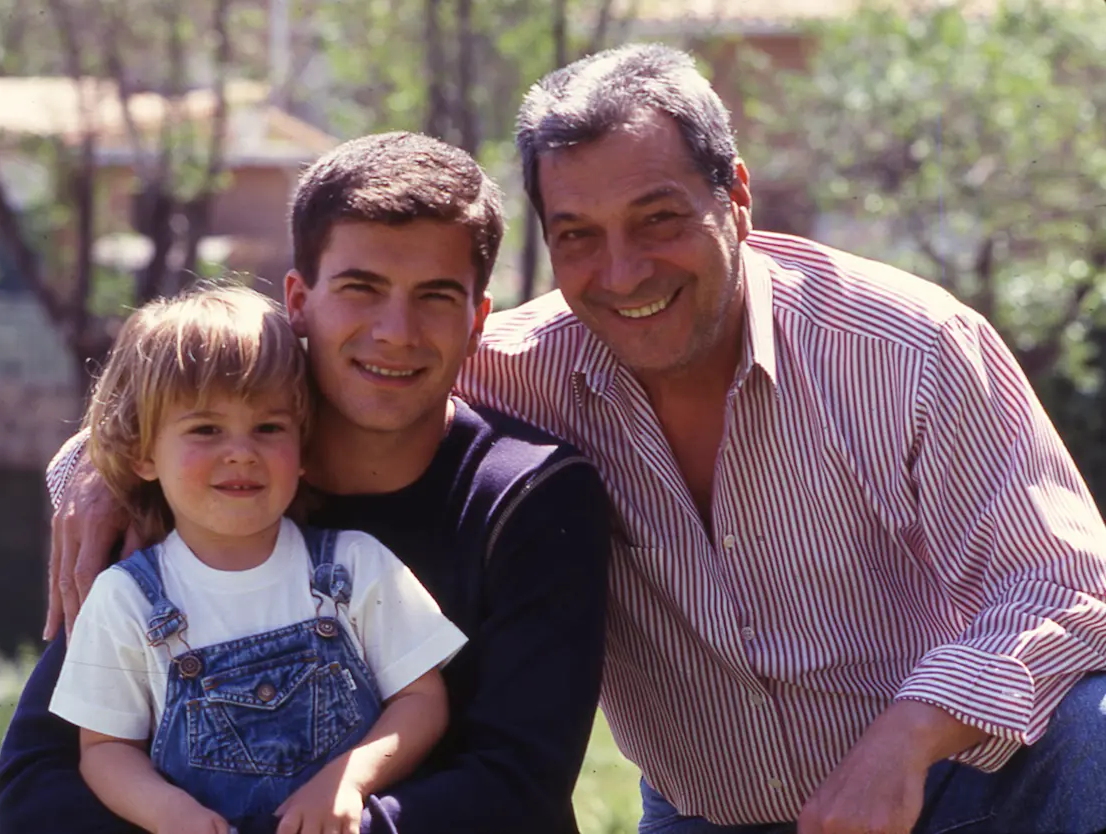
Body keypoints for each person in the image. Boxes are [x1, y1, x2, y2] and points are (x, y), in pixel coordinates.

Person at [454, 42, 1106, 834]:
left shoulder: (907, 347)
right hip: (717, 816)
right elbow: (324, 387)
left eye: (657, 219)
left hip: (956, 786)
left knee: (1093, 723)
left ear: (736, 195)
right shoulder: (502, 381)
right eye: (579, 236)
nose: (622, 273)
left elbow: (1068, 583)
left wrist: (904, 739)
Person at [0, 132, 613, 834]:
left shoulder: (530, 499)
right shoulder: (193, 496)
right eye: (361, 288)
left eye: (435, 296)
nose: (396, 332)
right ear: (297, 298)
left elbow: (516, 786)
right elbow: (38, 784)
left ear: (477, 322)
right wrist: (97, 464)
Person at [49, 283, 467, 834]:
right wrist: (171, 815)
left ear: (303, 445)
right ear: (144, 453)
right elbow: (104, 747)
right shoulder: (124, 598)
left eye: (269, 428)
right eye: (206, 429)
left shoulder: (355, 567)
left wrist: (350, 778)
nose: (242, 451)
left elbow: (421, 699)